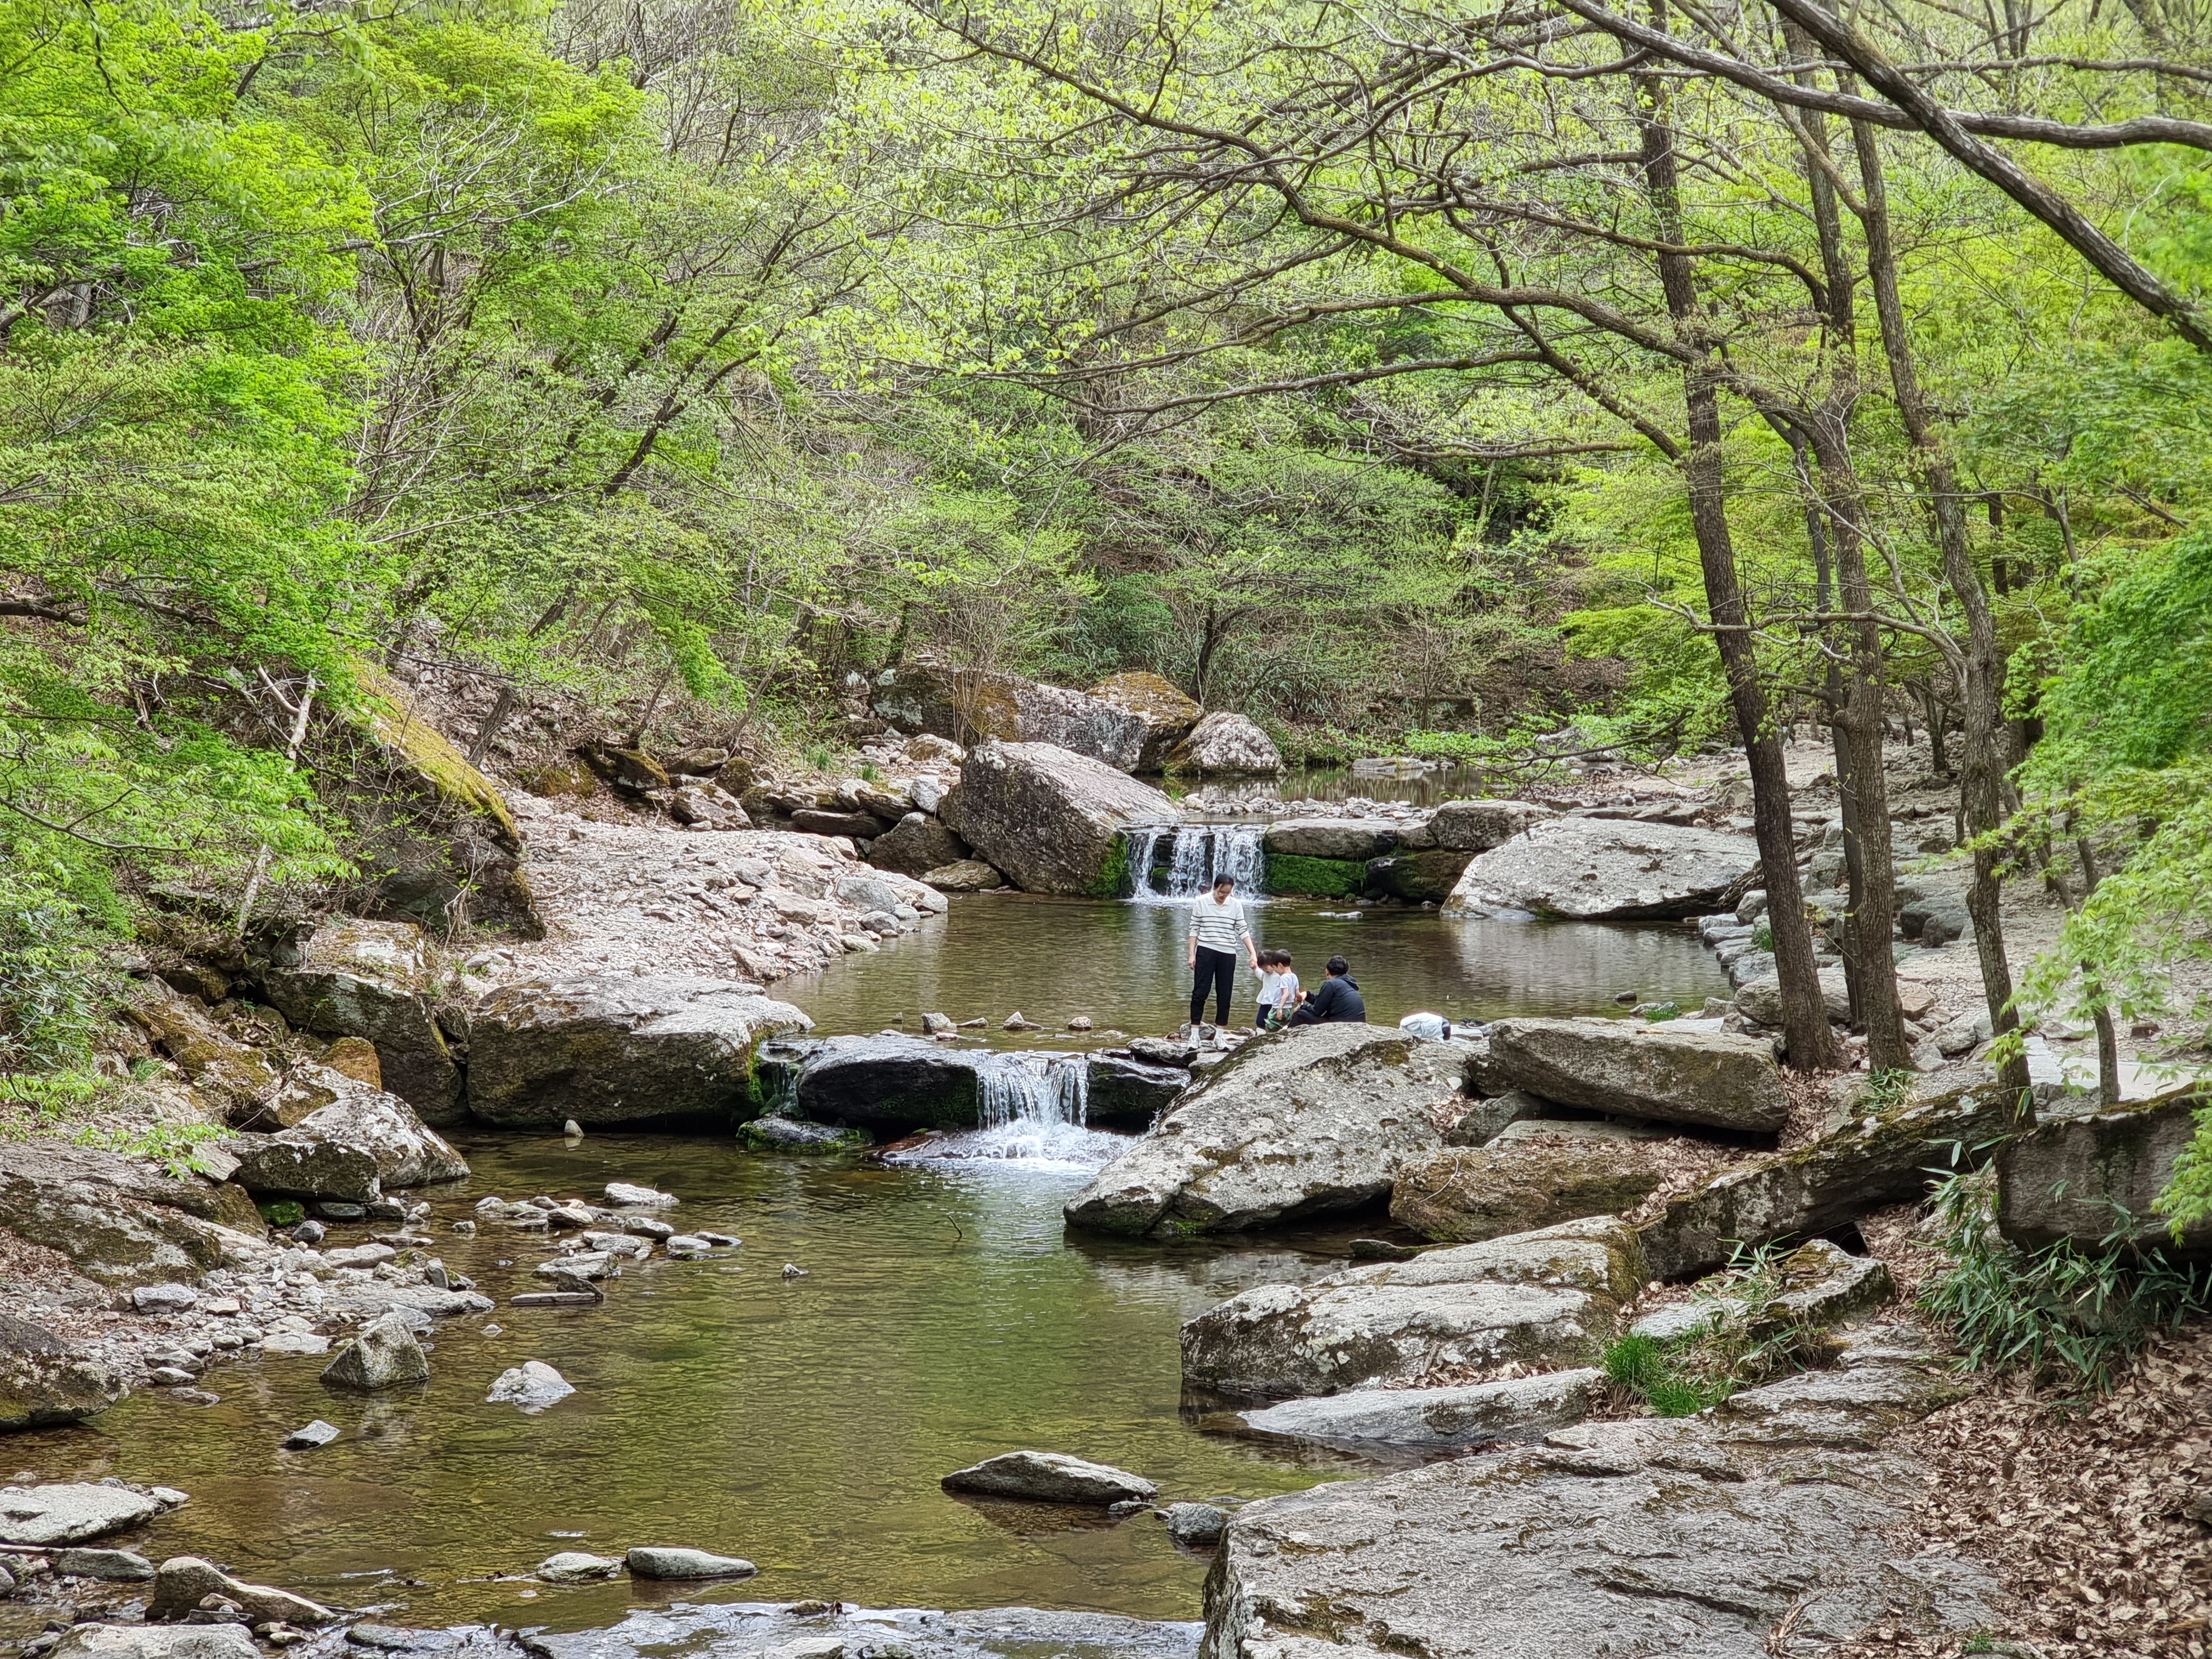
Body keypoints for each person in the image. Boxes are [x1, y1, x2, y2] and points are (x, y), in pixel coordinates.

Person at [1186, 874, 1256, 1029]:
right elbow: (1194, 928)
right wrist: (1192, 954)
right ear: (1215, 888)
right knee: (1200, 992)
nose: (1224, 896)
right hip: (1206, 950)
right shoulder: (1202, 902)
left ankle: (1220, 1034)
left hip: (1228, 953)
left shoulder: (1236, 905)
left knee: (1225, 995)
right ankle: (1195, 1032)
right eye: (1221, 892)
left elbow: (1243, 929)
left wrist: (1253, 953)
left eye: (1228, 893)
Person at [1288, 955, 1364, 1025]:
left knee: (1300, 1015)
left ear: (1327, 971)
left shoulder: (1330, 984)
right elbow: (1323, 1003)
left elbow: (1317, 1011)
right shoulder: (1349, 984)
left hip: (1341, 1025)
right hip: (1358, 1024)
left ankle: (1286, 1036)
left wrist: (1301, 1007)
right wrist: (1308, 995)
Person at [1255, 948, 1301, 1030]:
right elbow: (1262, 976)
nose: (1265, 971)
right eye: (1263, 969)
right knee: (1261, 1022)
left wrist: (1280, 1007)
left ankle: (1276, 1033)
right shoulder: (1267, 974)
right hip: (1266, 1000)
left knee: (1273, 1023)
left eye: (1266, 968)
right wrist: (1256, 969)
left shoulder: (1280, 975)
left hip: (1277, 1003)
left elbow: (1287, 992)